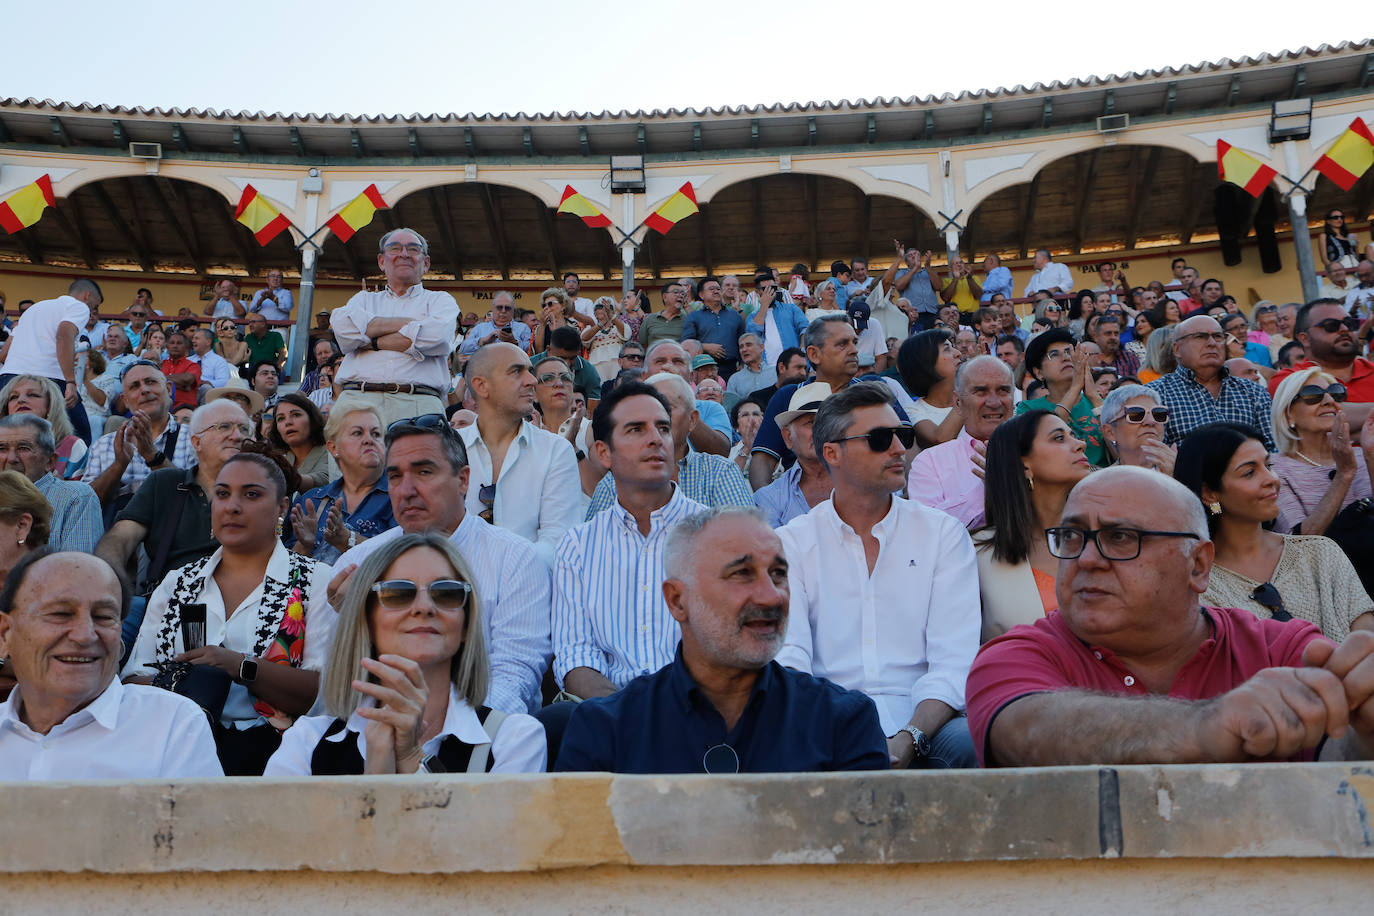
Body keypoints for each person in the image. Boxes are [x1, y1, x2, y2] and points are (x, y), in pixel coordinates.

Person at [966, 465, 1374, 767]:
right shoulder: (1014, 656)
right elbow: (1027, 732)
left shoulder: (1279, 648)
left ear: (1198, 565)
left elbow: (1338, 759)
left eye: (1121, 537)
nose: (1086, 559)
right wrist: (1209, 724)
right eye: (1072, 536)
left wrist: (1365, 727)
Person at [556, 507, 888, 773]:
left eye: (778, 574)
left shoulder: (843, 723)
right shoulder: (606, 730)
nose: (771, 597)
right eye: (742, 574)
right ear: (677, 600)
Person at [777, 382, 979, 769]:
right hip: (827, 720)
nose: (900, 448)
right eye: (880, 438)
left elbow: (954, 661)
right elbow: (791, 659)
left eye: (902, 435)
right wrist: (841, 730)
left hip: (928, 722)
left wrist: (911, 737)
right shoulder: (793, 543)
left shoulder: (941, 534)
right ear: (832, 453)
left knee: (968, 743)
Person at [264, 533, 545, 775]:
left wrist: (412, 758)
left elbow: (493, 839)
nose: (424, 607)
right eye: (398, 593)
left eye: (446, 593)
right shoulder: (306, 742)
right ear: (367, 621)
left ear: (465, 624)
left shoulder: (513, 739)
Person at [123, 453, 334, 775]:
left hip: (278, 761)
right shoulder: (178, 582)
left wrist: (239, 666)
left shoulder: (316, 580)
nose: (233, 506)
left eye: (251, 494)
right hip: (176, 754)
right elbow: (134, 681)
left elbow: (323, 693)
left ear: (282, 507)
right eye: (222, 494)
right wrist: (190, 684)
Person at [330, 415, 551, 715]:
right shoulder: (356, 563)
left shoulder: (515, 560)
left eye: (424, 472)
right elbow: (339, 687)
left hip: (480, 745)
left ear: (463, 480)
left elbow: (514, 678)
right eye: (394, 476)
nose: (406, 490)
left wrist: (439, 733)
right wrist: (354, 619)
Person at [551, 381, 709, 711]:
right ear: (604, 453)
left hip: (702, 712)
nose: (656, 438)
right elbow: (576, 658)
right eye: (636, 429)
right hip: (613, 720)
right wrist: (632, 717)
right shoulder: (578, 547)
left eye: (663, 428)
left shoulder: (716, 535)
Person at [0, 548, 223, 779]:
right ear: (5, 633)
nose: (85, 635)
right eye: (60, 614)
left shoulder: (172, 725)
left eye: (103, 617)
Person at [1175, 422, 1374, 640]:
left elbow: (1364, 628)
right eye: (1250, 472)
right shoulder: (1199, 583)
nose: (1272, 479)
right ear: (1210, 494)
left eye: (1268, 466)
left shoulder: (1320, 553)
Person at [95, 400, 250, 649]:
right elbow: (120, 538)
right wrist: (110, 577)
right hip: (167, 601)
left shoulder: (260, 492)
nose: (237, 436)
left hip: (236, 606)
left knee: (194, 662)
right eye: (224, 427)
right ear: (196, 442)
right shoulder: (166, 483)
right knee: (104, 639)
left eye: (244, 429)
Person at [459, 343, 581, 569]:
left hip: (529, 589)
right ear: (482, 386)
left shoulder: (555, 450)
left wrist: (505, 575)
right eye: (517, 371)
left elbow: (558, 539)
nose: (532, 381)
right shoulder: (449, 448)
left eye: (529, 371)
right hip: (457, 592)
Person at [973, 410, 1090, 641]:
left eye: (1073, 435)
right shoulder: (976, 552)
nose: (1080, 444)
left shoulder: (1105, 538)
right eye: (1059, 438)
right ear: (1024, 465)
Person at [331, 229, 460, 427]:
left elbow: (438, 338)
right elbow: (343, 331)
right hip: (356, 401)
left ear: (425, 263)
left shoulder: (441, 300)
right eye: (395, 248)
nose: (404, 254)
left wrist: (371, 341)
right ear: (382, 261)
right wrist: (411, 324)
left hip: (419, 404)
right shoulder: (363, 299)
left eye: (413, 249)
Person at [585, 372, 754, 517]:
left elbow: (748, 544)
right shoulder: (613, 482)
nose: (657, 417)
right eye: (646, 410)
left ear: (692, 420)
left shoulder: (720, 472)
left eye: (666, 406)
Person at [908, 356, 1014, 529]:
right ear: (958, 403)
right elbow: (929, 530)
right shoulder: (931, 462)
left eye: (1003, 390)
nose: (994, 402)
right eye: (981, 391)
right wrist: (991, 487)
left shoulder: (1037, 450)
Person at [1270, 367, 1374, 538]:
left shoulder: (1362, 455)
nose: (1329, 400)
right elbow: (1299, 541)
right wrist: (1344, 474)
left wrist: (1370, 457)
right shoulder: (1275, 470)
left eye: (1335, 393)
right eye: (1312, 395)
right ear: (1288, 415)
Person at [0, 277, 102, 446]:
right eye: (95, 305)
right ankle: (64, 472)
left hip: (9, 379)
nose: (92, 310)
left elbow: (4, 355)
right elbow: (64, 335)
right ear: (87, 295)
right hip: (48, 379)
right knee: (80, 438)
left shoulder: (34, 309)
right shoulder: (79, 307)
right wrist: (70, 381)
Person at [1149, 315, 1275, 450]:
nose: (1212, 343)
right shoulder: (1156, 394)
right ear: (1177, 349)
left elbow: (1272, 450)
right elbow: (1155, 454)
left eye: (1218, 337)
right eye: (1200, 337)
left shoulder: (1254, 392)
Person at [82, 362, 197, 509]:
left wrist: (152, 456)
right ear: (126, 401)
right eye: (135, 386)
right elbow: (86, 506)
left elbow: (197, 501)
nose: (144, 390)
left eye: (151, 382)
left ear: (168, 389)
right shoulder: (104, 444)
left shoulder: (194, 439)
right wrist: (119, 465)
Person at [289, 404, 392, 565]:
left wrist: (347, 539)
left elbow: (404, 560)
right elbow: (286, 574)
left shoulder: (401, 498)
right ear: (333, 447)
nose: (369, 440)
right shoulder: (311, 501)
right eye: (358, 433)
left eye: (376, 434)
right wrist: (304, 545)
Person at [0, 415, 101, 554]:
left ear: (50, 461)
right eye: (2, 448)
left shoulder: (76, 497)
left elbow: (75, 570)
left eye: (23, 448)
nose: (11, 458)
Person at [1269, 300, 1374, 433]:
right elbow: (1318, 422)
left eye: (1349, 323)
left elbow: (1327, 423)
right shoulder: (1288, 379)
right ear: (1304, 338)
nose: (1344, 329)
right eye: (1331, 326)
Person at [1017, 328, 1107, 466]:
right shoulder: (1029, 409)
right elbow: (1046, 438)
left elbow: (1122, 450)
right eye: (1054, 354)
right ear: (1039, 373)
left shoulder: (1099, 403)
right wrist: (1075, 387)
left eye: (1068, 352)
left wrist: (1094, 397)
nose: (1066, 358)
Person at [752, 382, 833, 528]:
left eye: (828, 422)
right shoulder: (770, 497)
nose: (821, 430)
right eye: (811, 422)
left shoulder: (860, 482)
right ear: (788, 437)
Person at [1, 374, 88, 479]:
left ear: (50, 405)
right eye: (13, 397)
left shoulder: (72, 446)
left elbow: (78, 493)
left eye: (32, 395)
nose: (21, 400)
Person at [897, 328, 963, 449]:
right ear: (926, 363)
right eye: (947, 349)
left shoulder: (975, 398)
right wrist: (969, 389)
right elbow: (941, 439)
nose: (958, 353)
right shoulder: (913, 411)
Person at [265, 393, 336, 493]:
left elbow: (324, 478)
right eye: (281, 418)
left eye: (296, 414)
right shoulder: (281, 458)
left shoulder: (331, 451)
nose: (288, 422)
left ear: (312, 419)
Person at [1099, 384, 1175, 474]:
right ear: (1110, 432)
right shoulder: (1100, 483)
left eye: (1158, 414)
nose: (1151, 421)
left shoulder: (1185, 472)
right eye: (1136, 414)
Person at [682, 276, 746, 377]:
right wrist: (705, 347)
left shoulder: (735, 315)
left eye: (718, 289)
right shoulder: (694, 317)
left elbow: (743, 340)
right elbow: (685, 344)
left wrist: (743, 363)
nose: (716, 291)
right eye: (711, 289)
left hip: (733, 370)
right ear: (702, 295)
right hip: (703, 369)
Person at [744, 271, 809, 363]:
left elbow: (805, 328)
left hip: (792, 365)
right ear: (757, 292)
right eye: (765, 289)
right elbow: (753, 335)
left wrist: (802, 349)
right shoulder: (752, 317)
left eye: (773, 288)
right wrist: (764, 305)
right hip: (765, 368)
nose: (770, 291)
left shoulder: (791, 309)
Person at [581, 297, 629, 383]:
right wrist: (601, 324)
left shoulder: (618, 327)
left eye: (608, 307)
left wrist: (611, 317)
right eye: (600, 307)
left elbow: (626, 334)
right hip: (596, 365)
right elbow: (584, 338)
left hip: (617, 364)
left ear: (613, 311)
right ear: (595, 313)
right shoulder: (591, 328)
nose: (604, 309)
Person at [725, 333, 776, 404]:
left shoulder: (775, 372)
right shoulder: (735, 379)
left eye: (748, 345)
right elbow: (730, 407)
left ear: (761, 347)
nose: (744, 349)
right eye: (741, 347)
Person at [160, 329, 202, 413]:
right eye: (172, 343)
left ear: (186, 348)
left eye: (179, 343)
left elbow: (187, 379)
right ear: (167, 346)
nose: (175, 346)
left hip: (184, 409)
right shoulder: (160, 365)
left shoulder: (193, 365)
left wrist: (161, 380)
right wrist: (181, 384)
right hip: (161, 408)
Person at [638, 281, 688, 350]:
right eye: (676, 292)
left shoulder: (687, 320)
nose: (680, 295)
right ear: (665, 297)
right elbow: (642, 345)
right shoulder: (650, 319)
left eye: (683, 294)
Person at [188, 327, 232, 394]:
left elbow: (224, 381)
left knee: (206, 387)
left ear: (208, 342)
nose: (193, 341)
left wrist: (206, 383)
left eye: (196, 338)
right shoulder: (188, 360)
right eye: (193, 338)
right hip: (188, 393)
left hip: (208, 394)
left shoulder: (219, 361)